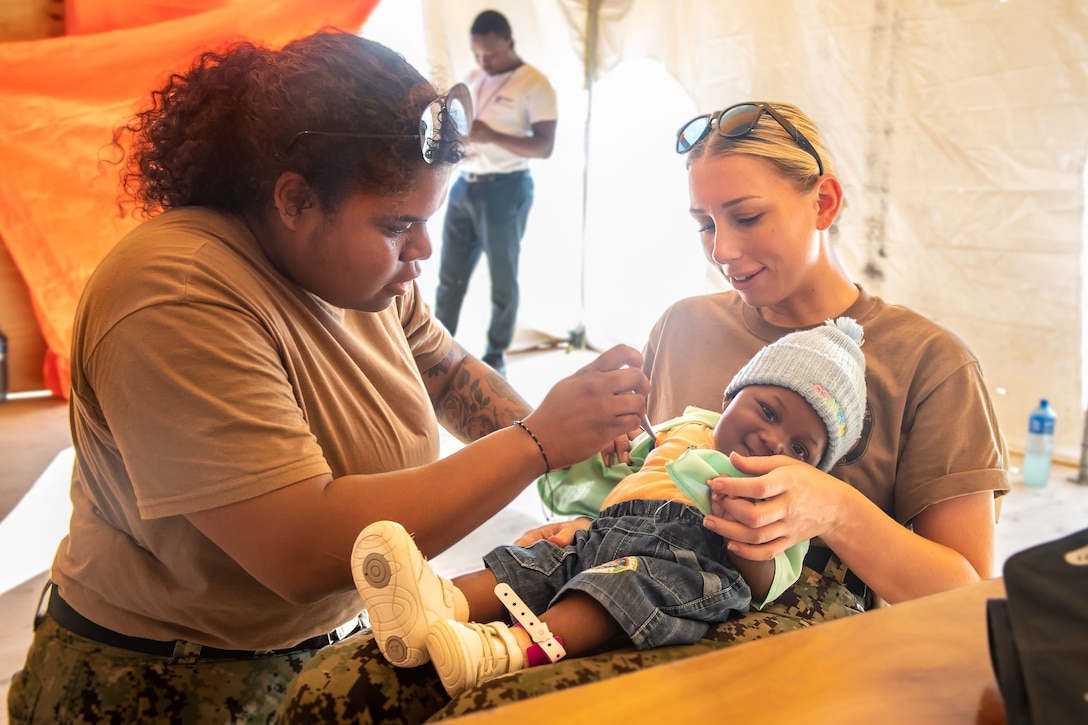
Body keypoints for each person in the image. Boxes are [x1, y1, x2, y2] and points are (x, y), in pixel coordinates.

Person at [274, 100, 1009, 723]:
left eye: (747, 216)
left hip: (784, 645)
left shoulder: (927, 363)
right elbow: (652, 482)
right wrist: (598, 513)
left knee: (495, 707)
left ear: (824, 202)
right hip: (621, 571)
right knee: (341, 684)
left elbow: (969, 596)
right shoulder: (685, 325)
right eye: (703, 223)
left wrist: (833, 509)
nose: (724, 249)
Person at [5, 29, 650, 724]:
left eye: (428, 217)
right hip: (166, 684)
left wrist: (584, 460)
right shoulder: (174, 293)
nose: (424, 249)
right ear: (294, 200)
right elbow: (301, 549)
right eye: (400, 223)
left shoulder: (365, 275)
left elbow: (444, 369)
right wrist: (538, 443)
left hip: (312, 652)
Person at [352, 318, 868, 697]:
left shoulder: (788, 497)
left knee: (620, 587)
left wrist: (749, 536)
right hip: (607, 532)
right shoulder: (686, 427)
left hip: (684, 567)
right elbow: (622, 476)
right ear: (731, 395)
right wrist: (614, 434)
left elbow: (763, 585)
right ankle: (434, 604)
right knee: (537, 562)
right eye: (767, 409)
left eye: (801, 449)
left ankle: (505, 650)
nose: (773, 440)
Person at [433, 9, 558, 377]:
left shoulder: (536, 84)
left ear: (510, 43)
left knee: (503, 278)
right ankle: (434, 352)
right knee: (448, 276)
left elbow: (545, 147)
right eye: (477, 55)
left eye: (491, 54)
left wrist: (493, 136)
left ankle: (496, 356)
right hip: (465, 186)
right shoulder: (474, 78)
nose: (484, 62)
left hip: (506, 188)